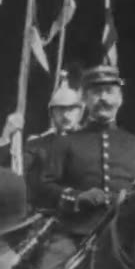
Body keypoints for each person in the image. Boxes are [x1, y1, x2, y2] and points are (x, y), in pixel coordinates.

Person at [31, 63, 135, 269]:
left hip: (126, 237)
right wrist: (78, 198)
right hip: (76, 232)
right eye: (96, 93)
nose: (103, 99)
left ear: (120, 98)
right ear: (85, 99)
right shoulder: (66, 142)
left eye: (110, 92)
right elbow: (43, 186)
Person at [22, 71, 85, 203]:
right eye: (60, 110)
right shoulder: (37, 145)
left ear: (80, 112)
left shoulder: (89, 143)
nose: (66, 116)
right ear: (51, 113)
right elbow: (20, 175)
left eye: (71, 109)